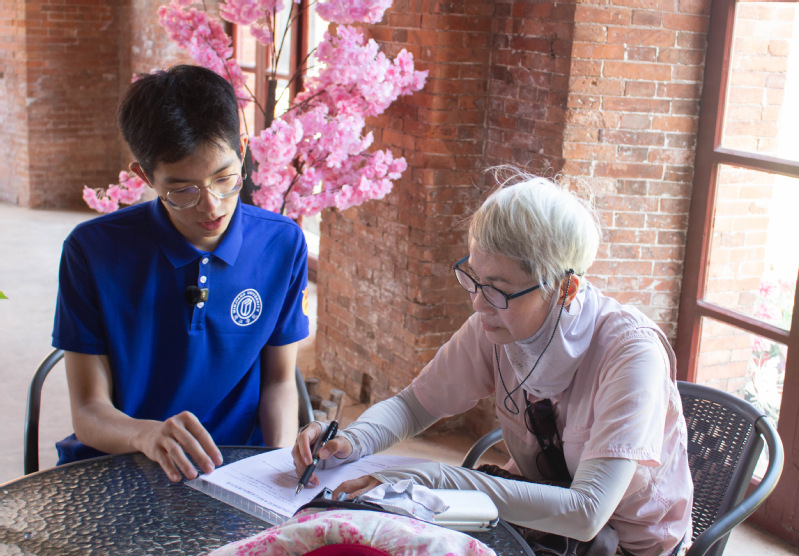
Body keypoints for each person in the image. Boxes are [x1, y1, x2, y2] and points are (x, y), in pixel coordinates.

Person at [292, 169, 692, 556]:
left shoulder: (631, 353)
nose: (479, 304)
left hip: (626, 545)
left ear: (565, 288)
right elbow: (413, 406)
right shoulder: (496, 327)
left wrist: (436, 477)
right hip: (538, 523)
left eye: (499, 290)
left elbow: (587, 513)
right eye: (474, 279)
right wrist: (352, 442)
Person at [52, 64, 310, 482]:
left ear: (243, 149)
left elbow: (279, 382)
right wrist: (147, 436)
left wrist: (276, 467)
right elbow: (88, 410)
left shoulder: (281, 244)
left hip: (237, 469)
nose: (211, 206)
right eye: (182, 190)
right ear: (145, 176)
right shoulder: (92, 251)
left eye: (225, 178)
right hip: (119, 464)